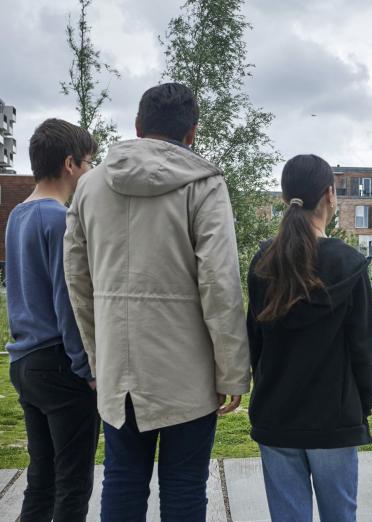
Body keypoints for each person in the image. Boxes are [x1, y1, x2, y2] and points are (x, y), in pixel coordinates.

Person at [63, 83, 251, 522]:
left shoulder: (89, 187)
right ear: (192, 133)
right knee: (185, 486)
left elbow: (77, 283)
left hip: (119, 374)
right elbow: (220, 283)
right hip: (188, 376)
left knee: (123, 480)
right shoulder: (203, 184)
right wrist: (232, 371)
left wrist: (97, 359)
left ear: (138, 126)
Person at [246, 154, 372, 522]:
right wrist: (360, 407)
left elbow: (254, 342)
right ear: (330, 196)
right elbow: (363, 349)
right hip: (334, 417)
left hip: (276, 413)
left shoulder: (263, 262)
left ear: (286, 198)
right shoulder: (350, 263)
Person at [5, 118, 99, 521]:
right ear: (70, 164)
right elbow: (70, 302)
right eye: (90, 162)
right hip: (60, 365)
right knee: (73, 484)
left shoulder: (18, 215)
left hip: (24, 362)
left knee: (41, 479)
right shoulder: (59, 219)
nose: (91, 171)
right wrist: (87, 367)